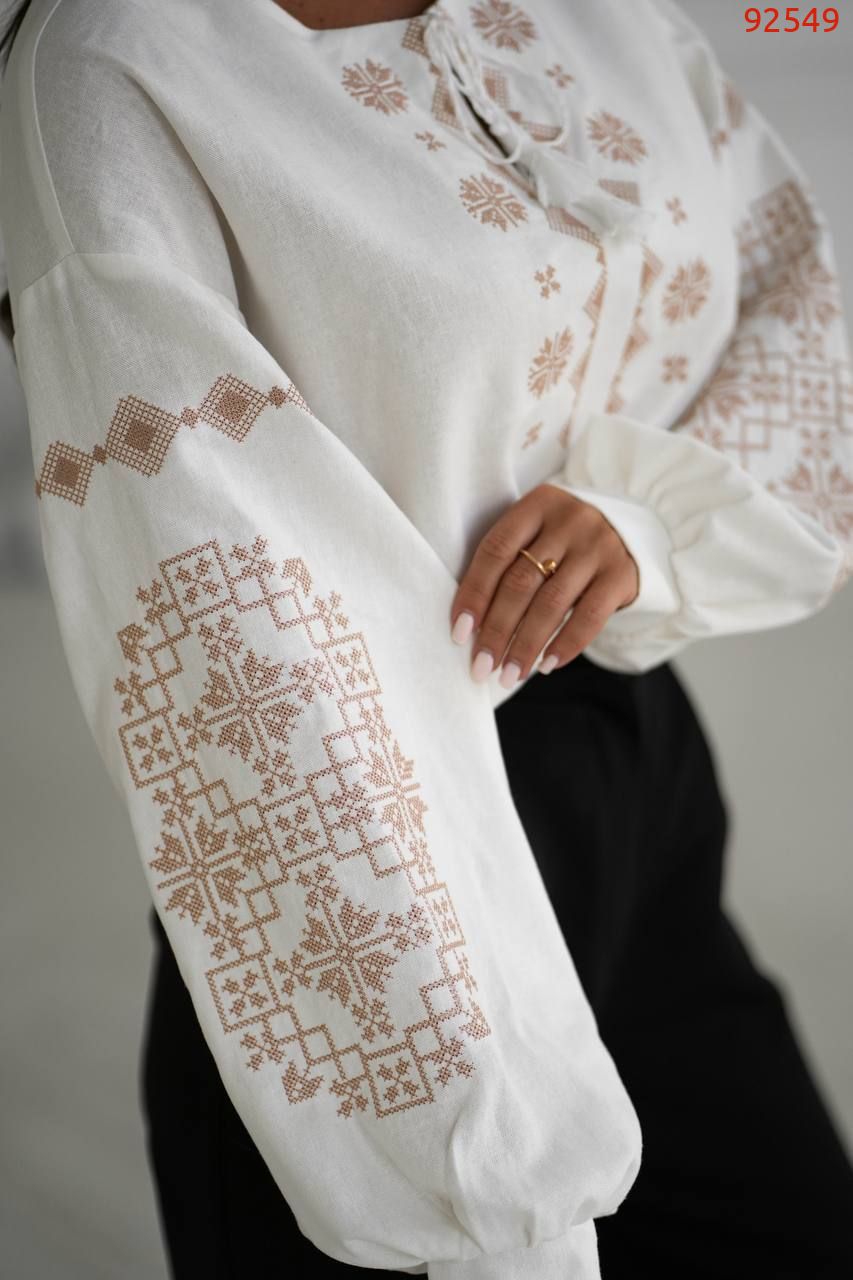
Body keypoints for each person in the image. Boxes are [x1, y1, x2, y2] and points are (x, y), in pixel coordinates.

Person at [1, 0, 852, 1276]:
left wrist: (648, 523)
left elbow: (788, 287)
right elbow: (223, 619)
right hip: (375, 835)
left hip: (636, 755)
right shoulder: (119, 68)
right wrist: (484, 1176)